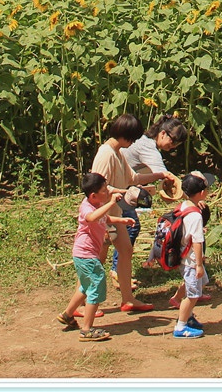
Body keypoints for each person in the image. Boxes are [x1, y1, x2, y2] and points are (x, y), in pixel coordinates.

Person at [60, 171, 136, 342]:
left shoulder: (96, 203)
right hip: (85, 255)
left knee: (86, 286)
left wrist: (121, 221)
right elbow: (92, 217)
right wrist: (111, 203)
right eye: (104, 190)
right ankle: (86, 330)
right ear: (93, 195)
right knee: (96, 285)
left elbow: (103, 217)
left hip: (85, 254)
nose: (107, 192)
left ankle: (67, 314)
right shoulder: (87, 207)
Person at [91, 115, 153, 312]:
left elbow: (133, 178)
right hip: (103, 215)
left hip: (115, 214)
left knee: (126, 250)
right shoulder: (106, 154)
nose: (133, 143)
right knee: (96, 261)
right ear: (125, 135)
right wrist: (126, 193)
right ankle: (81, 305)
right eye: (132, 139)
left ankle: (128, 299)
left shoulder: (118, 153)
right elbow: (98, 188)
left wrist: (161, 175)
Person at [167, 173, 211, 338]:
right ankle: (181, 326)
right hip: (191, 260)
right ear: (201, 193)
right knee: (192, 296)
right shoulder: (196, 216)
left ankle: (189, 318)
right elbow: (197, 242)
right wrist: (199, 265)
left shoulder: (184, 206)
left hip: (182, 255)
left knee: (195, 288)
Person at [125, 115, 190, 199]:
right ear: (163, 133)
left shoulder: (143, 139)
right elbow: (167, 176)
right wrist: (190, 198)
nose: (174, 146)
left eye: (177, 144)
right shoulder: (148, 148)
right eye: (173, 142)